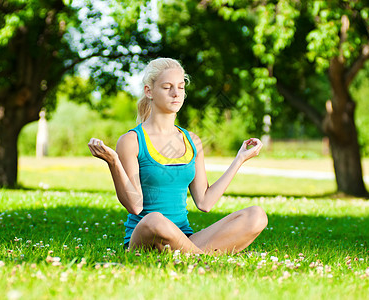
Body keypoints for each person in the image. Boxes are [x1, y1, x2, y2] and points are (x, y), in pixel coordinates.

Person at [88, 58, 267, 254]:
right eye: (167, 87)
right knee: (155, 219)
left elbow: (205, 202)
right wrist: (113, 162)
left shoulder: (192, 141)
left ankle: (191, 254)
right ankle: (202, 257)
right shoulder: (132, 141)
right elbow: (135, 206)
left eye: (181, 87)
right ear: (149, 91)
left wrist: (239, 159)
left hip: (184, 237)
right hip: (147, 237)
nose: (176, 93)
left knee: (256, 215)